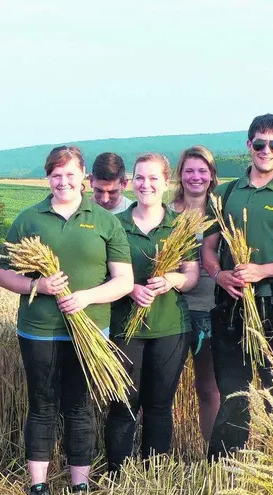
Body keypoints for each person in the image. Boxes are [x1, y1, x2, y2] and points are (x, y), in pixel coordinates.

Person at [0, 145, 134, 495]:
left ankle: (79, 483)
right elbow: (3, 275)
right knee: (41, 403)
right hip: (38, 329)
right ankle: (38, 483)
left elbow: (125, 281)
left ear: (83, 177)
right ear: (47, 178)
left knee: (80, 405)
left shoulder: (105, 221)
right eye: (56, 175)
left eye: (70, 174)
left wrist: (87, 297)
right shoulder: (28, 219)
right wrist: (37, 286)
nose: (63, 181)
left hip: (91, 329)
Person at [199, 114, 273, 459]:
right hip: (229, 305)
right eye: (259, 143)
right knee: (233, 392)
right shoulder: (225, 193)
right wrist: (219, 274)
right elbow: (208, 249)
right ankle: (222, 469)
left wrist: (263, 271)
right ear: (248, 145)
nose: (266, 151)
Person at [105, 152, 199, 475]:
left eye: (154, 178)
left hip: (170, 327)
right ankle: (117, 477)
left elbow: (192, 276)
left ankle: (154, 478)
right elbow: (103, 275)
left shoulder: (180, 227)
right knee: (123, 406)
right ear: (131, 181)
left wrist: (171, 279)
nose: (146, 184)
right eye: (140, 178)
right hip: (123, 327)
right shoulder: (114, 225)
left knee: (159, 407)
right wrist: (130, 288)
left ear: (166, 182)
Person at [171, 145, 221, 448]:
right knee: (162, 387)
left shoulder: (222, 215)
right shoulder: (166, 214)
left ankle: (212, 453)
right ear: (180, 174)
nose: (195, 176)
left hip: (211, 308)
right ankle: (157, 455)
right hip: (172, 309)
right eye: (189, 170)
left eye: (202, 170)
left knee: (209, 388)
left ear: (212, 175)